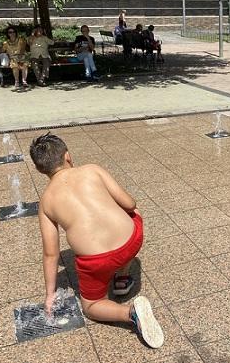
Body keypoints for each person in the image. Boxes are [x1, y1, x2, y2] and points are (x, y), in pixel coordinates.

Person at [29, 133, 164, 349]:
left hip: (98, 262)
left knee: (91, 306)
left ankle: (130, 313)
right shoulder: (92, 169)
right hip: (131, 241)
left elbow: (51, 254)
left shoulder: (46, 201)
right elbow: (130, 203)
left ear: (39, 169)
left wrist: (49, 295)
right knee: (133, 212)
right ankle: (122, 278)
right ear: (68, 156)